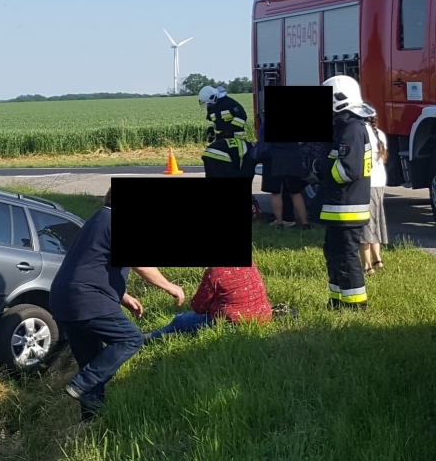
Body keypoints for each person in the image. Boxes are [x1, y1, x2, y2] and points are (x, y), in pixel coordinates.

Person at [47, 189, 185, 419]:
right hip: (87, 299)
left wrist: (124, 296)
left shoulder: (98, 221)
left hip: (65, 300)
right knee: (130, 339)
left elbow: (91, 264)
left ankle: (90, 420)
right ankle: (82, 384)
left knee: (91, 361)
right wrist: (169, 285)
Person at [316, 74, 375, 310]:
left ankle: (356, 305)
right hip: (338, 207)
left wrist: (319, 168)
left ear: (339, 100)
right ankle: (338, 300)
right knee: (334, 254)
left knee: (347, 257)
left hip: (346, 208)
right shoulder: (344, 126)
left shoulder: (351, 128)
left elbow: (347, 171)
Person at [151, 264, 272, 338]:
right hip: (262, 315)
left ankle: (146, 338)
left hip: (232, 322)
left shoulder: (215, 272)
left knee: (180, 320)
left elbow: (198, 307)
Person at [198, 85, 250, 178]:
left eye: (209, 103)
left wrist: (230, 130)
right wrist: (211, 130)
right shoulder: (211, 106)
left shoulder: (229, 103)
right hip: (220, 138)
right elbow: (211, 120)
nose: (209, 105)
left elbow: (242, 117)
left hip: (236, 138)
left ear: (213, 97)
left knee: (236, 161)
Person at [261, 134, 311, 228]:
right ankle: (305, 223)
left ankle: (280, 223)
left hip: (273, 160)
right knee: (296, 193)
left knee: (276, 193)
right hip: (292, 158)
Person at [362, 116, 390, 274]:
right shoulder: (379, 133)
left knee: (365, 226)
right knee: (376, 222)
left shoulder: (361, 133)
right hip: (380, 181)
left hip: (367, 183)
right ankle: (377, 259)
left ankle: (366, 266)